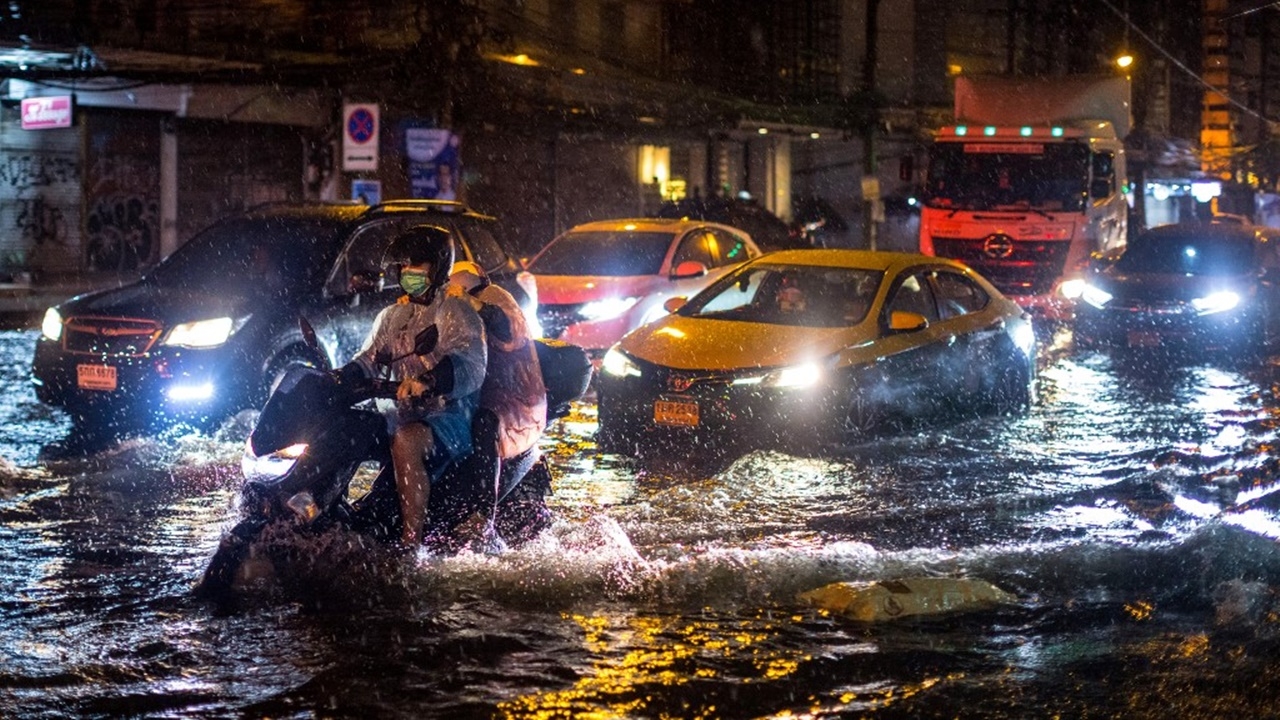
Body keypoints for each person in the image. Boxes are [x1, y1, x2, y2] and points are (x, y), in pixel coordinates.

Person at [333, 225, 487, 547]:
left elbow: (469, 362)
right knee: (347, 429)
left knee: (406, 441)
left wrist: (429, 381)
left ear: (438, 266)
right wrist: (341, 377)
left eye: (416, 266)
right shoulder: (393, 316)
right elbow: (370, 357)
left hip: (447, 417)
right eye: (402, 267)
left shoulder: (454, 311)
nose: (407, 273)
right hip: (399, 411)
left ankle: (410, 543)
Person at [447, 260, 547, 463]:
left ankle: (484, 494)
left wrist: (475, 304)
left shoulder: (492, 295)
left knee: (484, 424)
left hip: (510, 401)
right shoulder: (445, 309)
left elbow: (510, 329)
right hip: (462, 394)